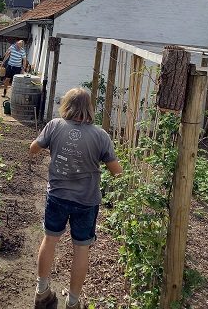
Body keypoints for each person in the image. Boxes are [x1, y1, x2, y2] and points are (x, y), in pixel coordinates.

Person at [30, 88, 123, 309]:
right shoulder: (100, 135)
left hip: (57, 196)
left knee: (49, 239)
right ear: (89, 107)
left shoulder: (54, 125)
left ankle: (41, 292)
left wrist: (53, 148)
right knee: (81, 249)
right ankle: (72, 303)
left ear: (66, 105)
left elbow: (33, 149)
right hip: (86, 201)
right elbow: (117, 171)